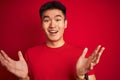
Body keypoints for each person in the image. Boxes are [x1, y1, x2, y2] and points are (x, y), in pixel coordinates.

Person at [0, 1, 105, 80]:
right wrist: (23, 78)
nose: (52, 25)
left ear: (65, 24)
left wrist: (80, 76)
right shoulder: (30, 54)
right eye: (46, 20)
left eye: (58, 19)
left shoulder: (81, 55)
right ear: (42, 25)